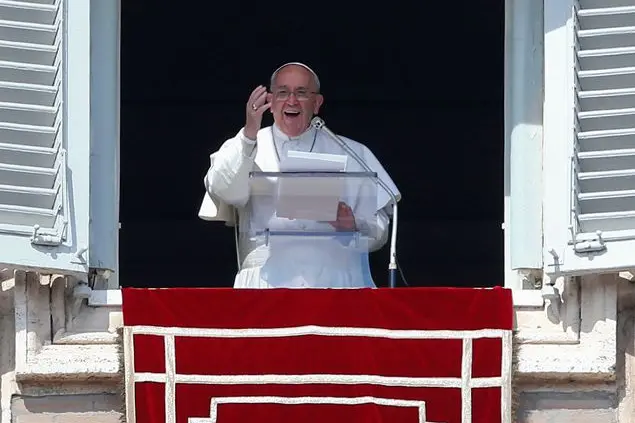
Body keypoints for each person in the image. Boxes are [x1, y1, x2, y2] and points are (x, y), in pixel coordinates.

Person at [199, 62, 401, 288]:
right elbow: (224, 190)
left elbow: (380, 229)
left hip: (337, 281)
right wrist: (249, 134)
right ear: (270, 101)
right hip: (265, 284)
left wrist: (352, 225)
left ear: (317, 103)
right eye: (283, 92)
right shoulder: (245, 145)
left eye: (302, 93)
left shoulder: (352, 152)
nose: (292, 100)